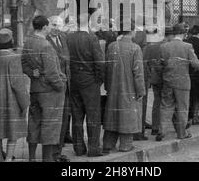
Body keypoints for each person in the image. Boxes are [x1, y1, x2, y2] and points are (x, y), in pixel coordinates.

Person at [22, 16, 66, 162]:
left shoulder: (28, 42)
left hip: (35, 89)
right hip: (49, 92)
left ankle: (32, 158)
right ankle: (47, 159)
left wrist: (31, 72)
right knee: (50, 126)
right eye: (48, 26)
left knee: (34, 124)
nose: (50, 28)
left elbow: (23, 63)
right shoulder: (46, 45)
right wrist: (60, 86)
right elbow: (52, 73)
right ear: (45, 27)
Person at [103, 20, 146, 152]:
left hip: (113, 87)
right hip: (129, 88)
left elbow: (106, 68)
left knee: (113, 114)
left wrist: (107, 86)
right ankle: (126, 145)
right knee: (128, 116)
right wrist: (141, 90)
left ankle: (108, 144)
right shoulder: (135, 48)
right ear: (132, 31)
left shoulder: (111, 46)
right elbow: (138, 73)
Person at [65, 13, 104, 157]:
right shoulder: (92, 38)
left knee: (77, 115)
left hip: (74, 80)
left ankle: (79, 148)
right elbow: (99, 62)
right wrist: (99, 79)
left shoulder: (69, 38)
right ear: (88, 22)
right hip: (90, 81)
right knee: (93, 115)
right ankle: (94, 148)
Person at [157, 24, 199, 141]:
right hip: (183, 82)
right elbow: (196, 64)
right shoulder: (188, 46)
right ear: (184, 34)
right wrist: (197, 67)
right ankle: (182, 133)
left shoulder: (164, 46)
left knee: (166, 106)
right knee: (182, 107)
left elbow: (160, 65)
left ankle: (162, 130)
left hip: (168, 80)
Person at [0, 29, 29, 162]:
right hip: (11, 100)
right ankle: (8, 158)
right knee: (13, 132)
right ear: (11, 41)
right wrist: (25, 102)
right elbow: (17, 84)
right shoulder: (13, 57)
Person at [46, 16, 72, 161]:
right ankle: (50, 154)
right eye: (53, 25)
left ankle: (57, 152)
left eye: (59, 25)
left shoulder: (63, 38)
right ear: (48, 25)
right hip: (52, 88)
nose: (56, 27)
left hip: (66, 87)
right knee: (53, 121)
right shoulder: (45, 41)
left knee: (63, 121)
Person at [142, 27, 164, 136]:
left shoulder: (147, 48)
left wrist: (149, 76)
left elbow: (144, 64)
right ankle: (162, 127)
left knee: (157, 101)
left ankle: (155, 127)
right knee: (168, 102)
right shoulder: (163, 45)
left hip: (154, 77)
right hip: (164, 77)